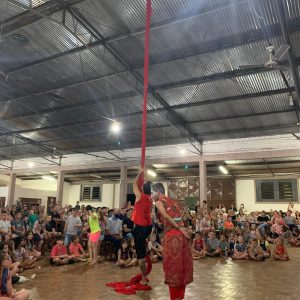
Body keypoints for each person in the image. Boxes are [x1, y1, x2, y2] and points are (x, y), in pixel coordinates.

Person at [152, 182, 193, 300]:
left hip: (173, 236)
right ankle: (180, 297)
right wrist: (182, 228)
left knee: (172, 268)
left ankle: (174, 297)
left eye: (152, 192)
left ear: (158, 192)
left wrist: (178, 227)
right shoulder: (174, 201)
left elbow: (165, 216)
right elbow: (180, 217)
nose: (151, 195)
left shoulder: (159, 202)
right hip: (183, 236)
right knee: (182, 267)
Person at [131, 168, 153, 289]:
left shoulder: (139, 196)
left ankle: (144, 279)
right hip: (148, 227)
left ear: (142, 189)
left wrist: (139, 173)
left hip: (140, 228)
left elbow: (134, 183)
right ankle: (145, 251)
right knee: (141, 250)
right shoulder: (150, 199)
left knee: (140, 256)